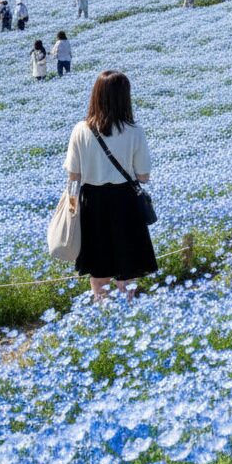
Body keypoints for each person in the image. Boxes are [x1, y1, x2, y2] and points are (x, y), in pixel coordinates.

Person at [63, 70, 157, 301]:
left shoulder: (80, 129)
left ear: (96, 95)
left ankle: (102, 309)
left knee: (98, 264)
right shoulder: (134, 131)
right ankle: (128, 307)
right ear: (124, 97)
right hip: (124, 201)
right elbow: (143, 176)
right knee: (127, 262)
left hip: (93, 203)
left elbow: (74, 175)